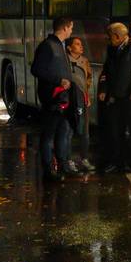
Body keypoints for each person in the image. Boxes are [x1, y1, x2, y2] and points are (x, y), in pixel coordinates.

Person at [30, 17, 78, 180]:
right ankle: (48, 170)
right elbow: (36, 69)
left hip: (63, 98)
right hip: (52, 98)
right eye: (71, 27)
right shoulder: (47, 46)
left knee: (62, 132)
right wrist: (59, 80)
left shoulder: (60, 46)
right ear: (64, 28)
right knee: (48, 134)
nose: (71, 31)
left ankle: (62, 165)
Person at [98, 22, 131, 174]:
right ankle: (116, 162)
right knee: (115, 130)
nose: (108, 41)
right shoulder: (112, 48)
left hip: (130, 97)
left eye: (109, 37)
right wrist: (104, 89)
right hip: (116, 96)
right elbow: (106, 70)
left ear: (117, 36)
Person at [65, 37, 96, 172]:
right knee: (69, 132)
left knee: (85, 131)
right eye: (77, 44)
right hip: (70, 100)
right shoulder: (65, 61)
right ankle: (68, 160)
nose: (81, 46)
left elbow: (88, 79)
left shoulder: (84, 61)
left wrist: (86, 94)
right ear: (69, 47)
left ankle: (84, 159)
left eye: (81, 44)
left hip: (82, 100)